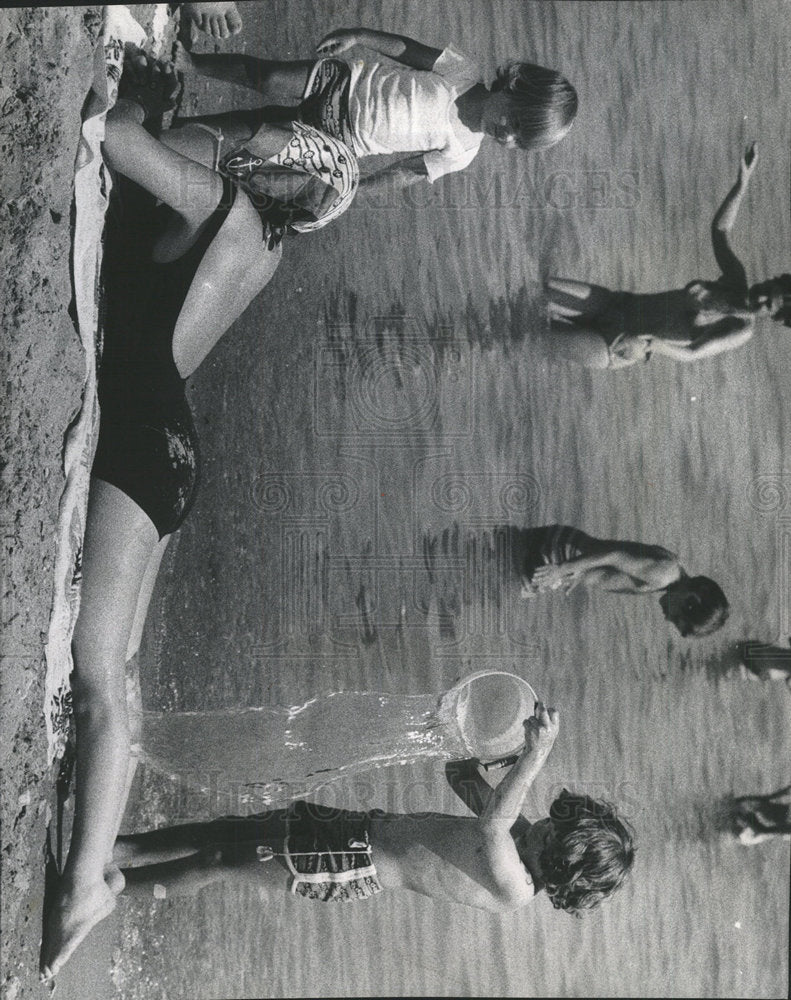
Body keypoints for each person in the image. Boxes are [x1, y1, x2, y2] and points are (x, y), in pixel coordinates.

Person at [40, 49, 358, 980]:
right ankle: (93, 859)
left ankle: (89, 883)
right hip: (163, 447)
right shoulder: (260, 243)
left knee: (101, 675)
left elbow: (115, 131)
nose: (258, 147)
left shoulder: (222, 204)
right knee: (115, 675)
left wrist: (240, 121)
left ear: (285, 173)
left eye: (276, 147)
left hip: (145, 444)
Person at [111, 703, 635, 916]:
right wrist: (499, 747)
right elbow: (460, 776)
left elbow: (494, 824)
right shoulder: (518, 827)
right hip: (357, 830)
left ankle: (112, 889)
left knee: (222, 862)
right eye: (552, 820)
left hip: (351, 865)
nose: (539, 826)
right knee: (230, 830)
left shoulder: (516, 888)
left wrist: (538, 755)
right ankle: (117, 850)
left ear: (560, 873)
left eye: (549, 839)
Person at [172, 26, 578, 195]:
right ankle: (193, 64)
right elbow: (406, 48)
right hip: (344, 82)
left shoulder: (464, 151)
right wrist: (359, 36)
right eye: (515, 120)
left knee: (253, 130)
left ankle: (184, 131)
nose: (506, 134)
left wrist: (355, 187)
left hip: (342, 140)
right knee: (267, 76)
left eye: (517, 139)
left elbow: (406, 172)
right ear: (516, 86)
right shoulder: (463, 70)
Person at [544, 143, 791, 368]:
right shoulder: (735, 278)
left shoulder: (740, 329)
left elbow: (693, 352)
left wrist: (652, 345)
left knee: (526, 334)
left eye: (767, 305)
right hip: (615, 303)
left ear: (773, 316)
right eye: (766, 291)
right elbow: (720, 230)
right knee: (533, 292)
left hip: (618, 344)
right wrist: (742, 185)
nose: (760, 298)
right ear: (768, 281)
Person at [514, 524, 728, 638]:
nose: (668, 619)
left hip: (565, 546)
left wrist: (579, 573)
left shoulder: (671, 571)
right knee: (497, 584)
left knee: (501, 552)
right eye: (676, 618)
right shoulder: (664, 575)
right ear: (689, 599)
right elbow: (614, 555)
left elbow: (612, 563)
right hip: (560, 554)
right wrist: (562, 569)